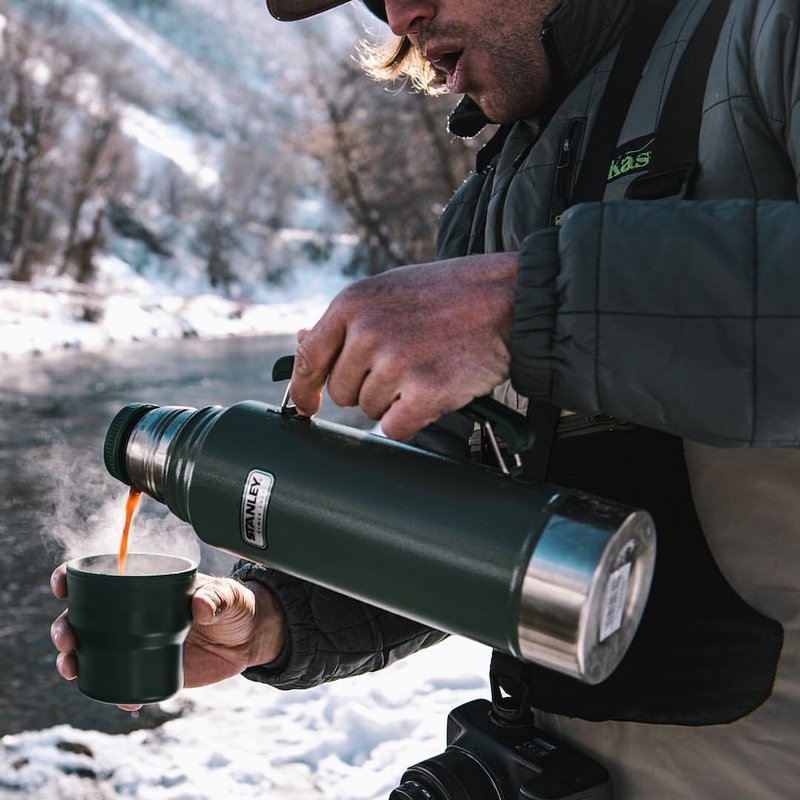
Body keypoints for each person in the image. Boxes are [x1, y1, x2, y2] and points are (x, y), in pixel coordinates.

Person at [51, 0, 800, 796]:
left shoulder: (760, 29)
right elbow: (459, 513)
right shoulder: (499, 183)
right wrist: (264, 621)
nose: (402, 13)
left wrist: (532, 304)